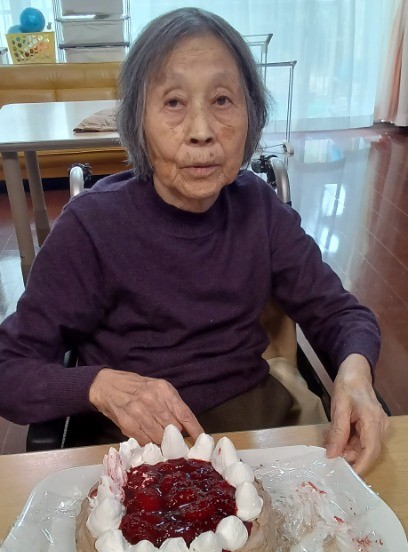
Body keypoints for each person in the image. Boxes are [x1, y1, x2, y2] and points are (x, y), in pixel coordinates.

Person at [0, 8, 388, 473]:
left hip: (254, 434)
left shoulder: (259, 208)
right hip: (132, 451)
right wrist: (98, 386)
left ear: (251, 115)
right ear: (138, 120)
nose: (202, 132)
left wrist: (355, 373)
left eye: (222, 100)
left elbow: (340, 313)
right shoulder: (91, 227)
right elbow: (9, 367)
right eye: (173, 102)